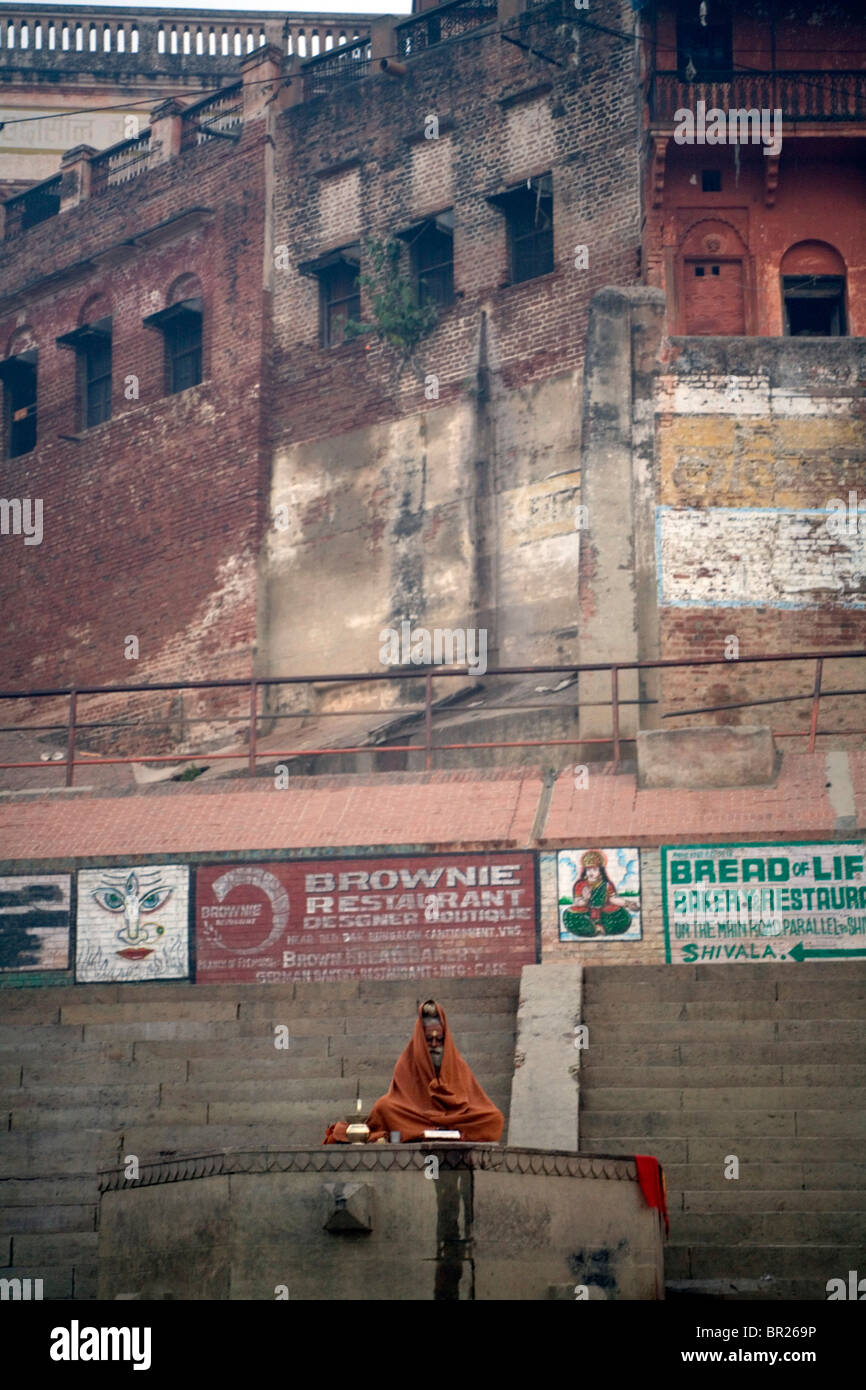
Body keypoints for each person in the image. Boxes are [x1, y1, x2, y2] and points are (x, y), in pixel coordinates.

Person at [323, 999, 504, 1144]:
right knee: (384, 1107)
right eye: (428, 1040)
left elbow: (470, 1100)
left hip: (454, 1116)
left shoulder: (456, 1061)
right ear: (420, 1038)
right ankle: (430, 1132)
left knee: (493, 1118)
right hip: (415, 1116)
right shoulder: (408, 1060)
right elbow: (396, 1099)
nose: (434, 1045)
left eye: (439, 1040)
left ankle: (431, 1132)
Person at [561, 849, 634, 936]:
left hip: (604, 914)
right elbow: (577, 902)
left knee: (623, 916)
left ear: (600, 871)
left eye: (594, 869)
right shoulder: (580, 884)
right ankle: (594, 929)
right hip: (586, 914)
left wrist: (628, 903)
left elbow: (613, 899)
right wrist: (585, 899)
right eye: (588, 869)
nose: (591, 872)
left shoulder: (606, 884)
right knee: (568, 916)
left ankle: (600, 927)